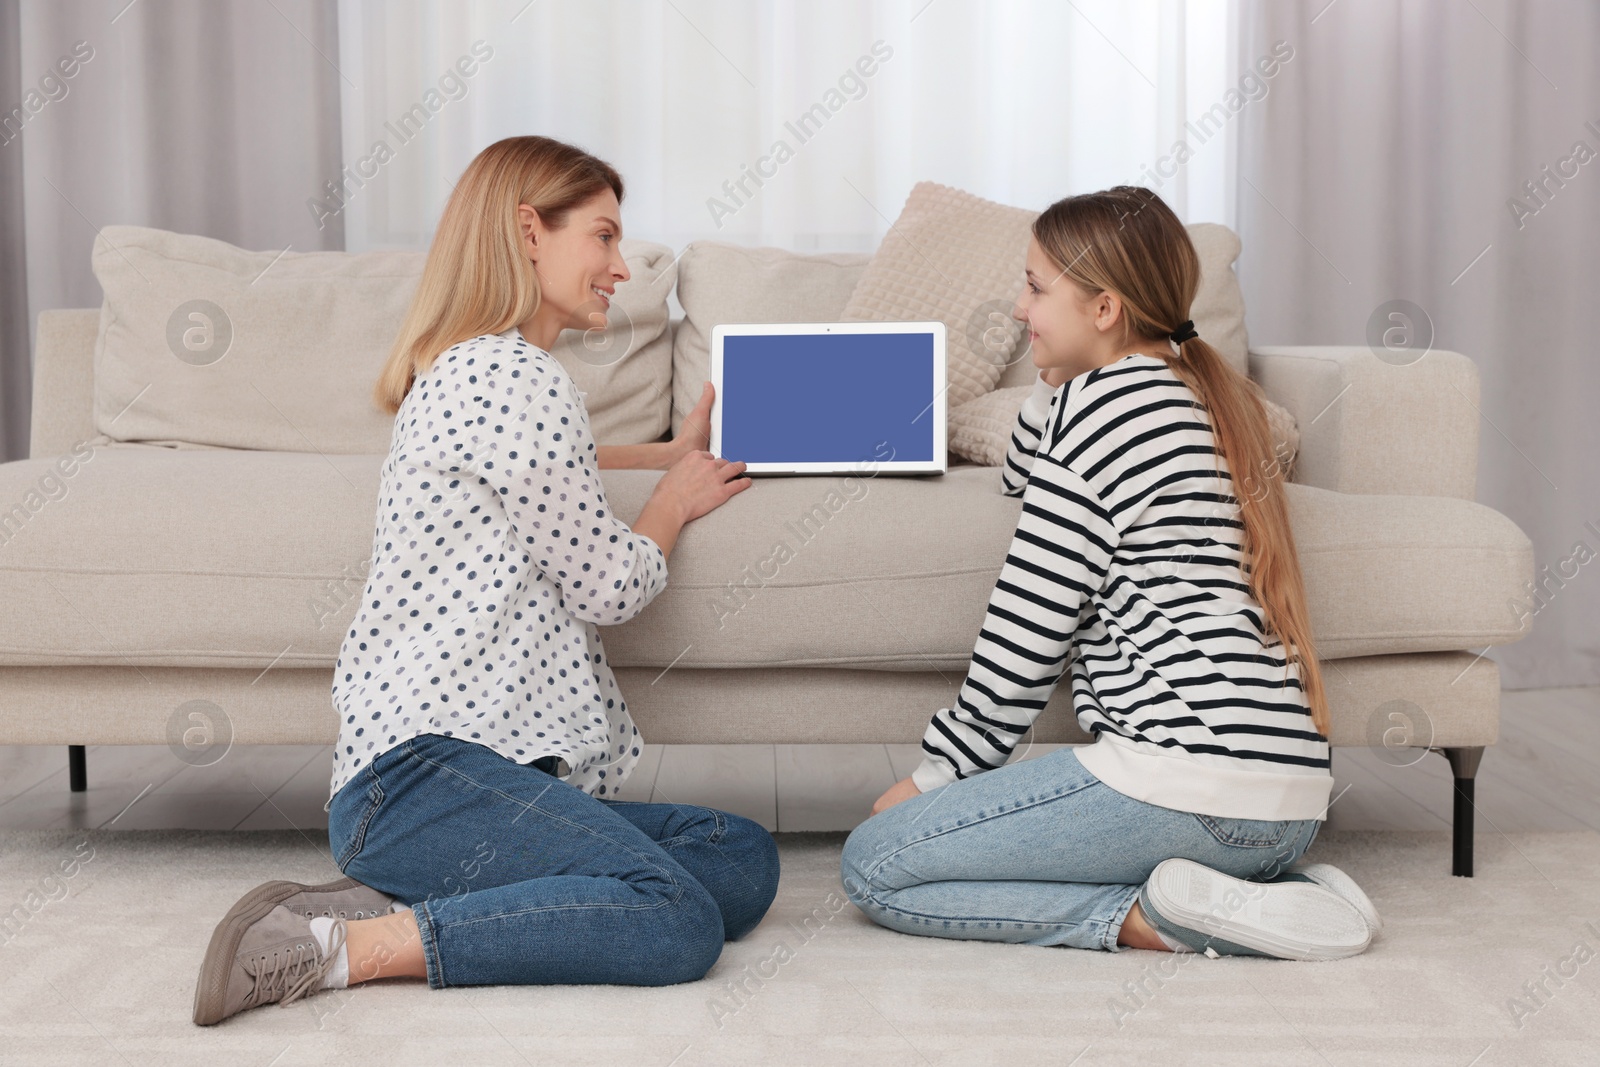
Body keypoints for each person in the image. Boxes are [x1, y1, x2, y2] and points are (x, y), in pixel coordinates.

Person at [193, 136, 777, 1026]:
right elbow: (610, 586)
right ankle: (334, 947)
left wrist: (661, 450)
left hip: (437, 788)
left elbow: (542, 469)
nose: (623, 267)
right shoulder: (515, 377)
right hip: (429, 779)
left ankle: (395, 893)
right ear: (528, 230)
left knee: (737, 856)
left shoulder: (473, 368)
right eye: (605, 237)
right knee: (679, 918)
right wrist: (672, 498)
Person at [841, 186, 1381, 961]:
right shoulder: (1182, 392)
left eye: (1035, 287)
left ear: (1104, 309)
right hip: (1286, 803)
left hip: (1190, 785)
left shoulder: (1101, 416)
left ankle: (1155, 920)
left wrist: (934, 778)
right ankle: (1277, 895)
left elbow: (1025, 636)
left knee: (877, 864)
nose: (1019, 307)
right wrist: (1055, 371)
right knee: (902, 854)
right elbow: (1024, 465)